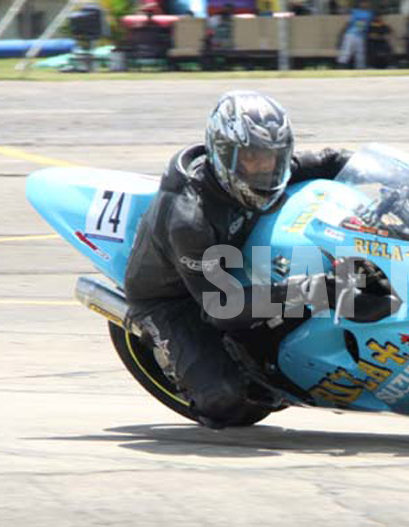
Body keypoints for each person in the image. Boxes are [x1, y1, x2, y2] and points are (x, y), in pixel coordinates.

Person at [124, 91, 352, 428]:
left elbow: (332, 160)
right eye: (252, 159)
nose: (266, 170)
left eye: (274, 158)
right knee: (229, 401)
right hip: (177, 298)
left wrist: (389, 179)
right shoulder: (191, 218)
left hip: (233, 263)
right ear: (223, 155)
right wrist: (314, 290)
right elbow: (220, 308)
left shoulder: (273, 168)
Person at [337, 0, 374, 69]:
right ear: (360, 3)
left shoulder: (370, 13)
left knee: (360, 55)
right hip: (351, 34)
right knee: (346, 52)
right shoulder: (355, 12)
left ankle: (360, 70)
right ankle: (341, 68)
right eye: (363, 2)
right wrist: (342, 34)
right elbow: (348, 23)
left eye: (367, 2)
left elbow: (369, 26)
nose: (365, 4)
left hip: (361, 36)